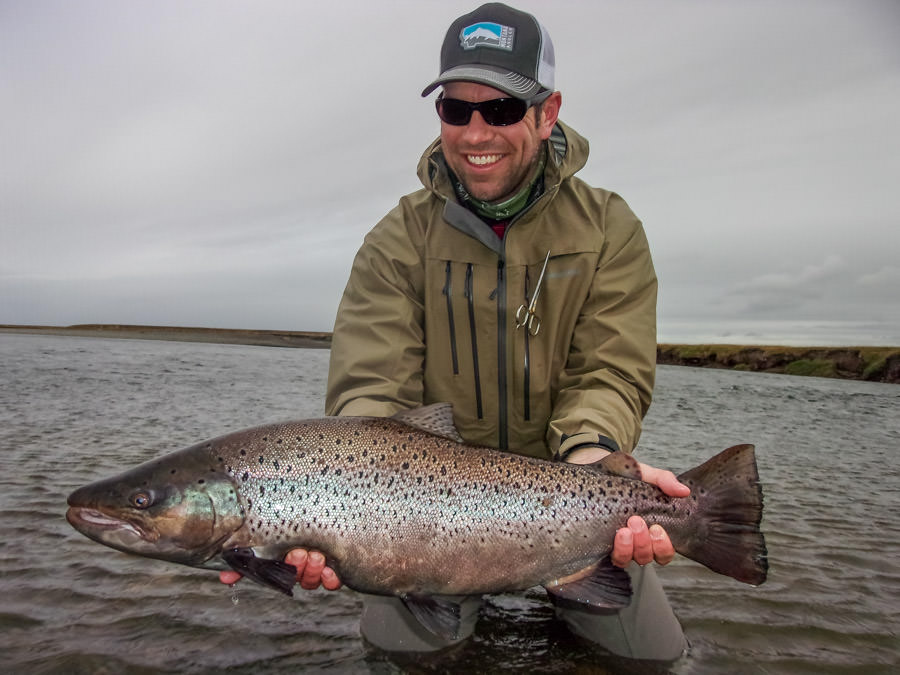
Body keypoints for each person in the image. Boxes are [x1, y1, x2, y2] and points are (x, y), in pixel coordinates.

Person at [222, 2, 690, 661]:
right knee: (403, 657)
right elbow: (370, 388)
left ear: (547, 112)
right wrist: (327, 520)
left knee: (655, 660)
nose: (476, 131)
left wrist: (594, 454)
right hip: (418, 517)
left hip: (566, 497)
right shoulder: (396, 240)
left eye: (499, 110)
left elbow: (610, 371)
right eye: (455, 109)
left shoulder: (611, 228)